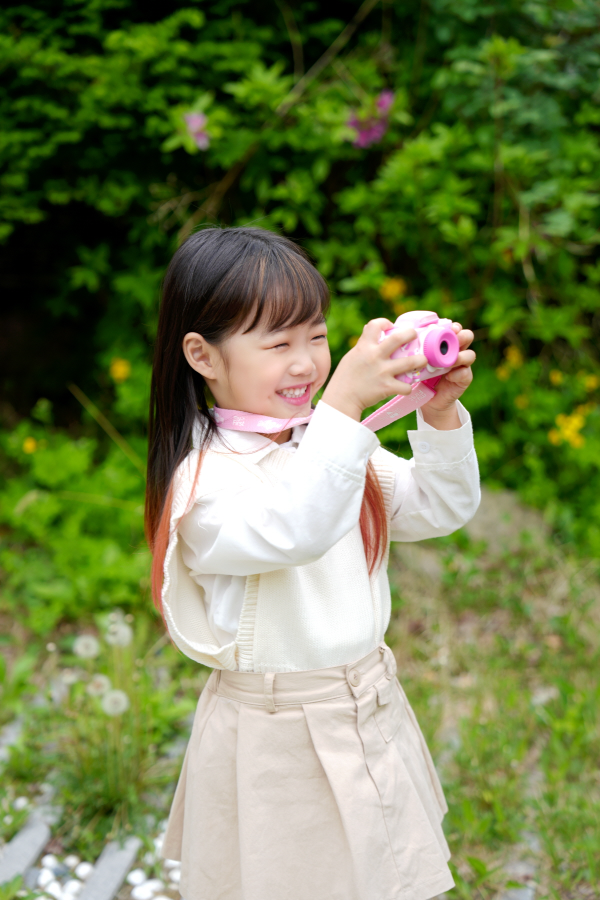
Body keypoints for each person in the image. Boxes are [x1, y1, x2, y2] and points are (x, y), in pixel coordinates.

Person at [146, 226, 479, 900]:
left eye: (317, 338)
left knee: (381, 882)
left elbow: (438, 508)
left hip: (368, 706)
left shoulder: (326, 448)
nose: (306, 363)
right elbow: (294, 527)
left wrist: (439, 415)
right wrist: (345, 408)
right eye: (278, 344)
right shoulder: (205, 487)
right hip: (275, 739)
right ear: (201, 355)